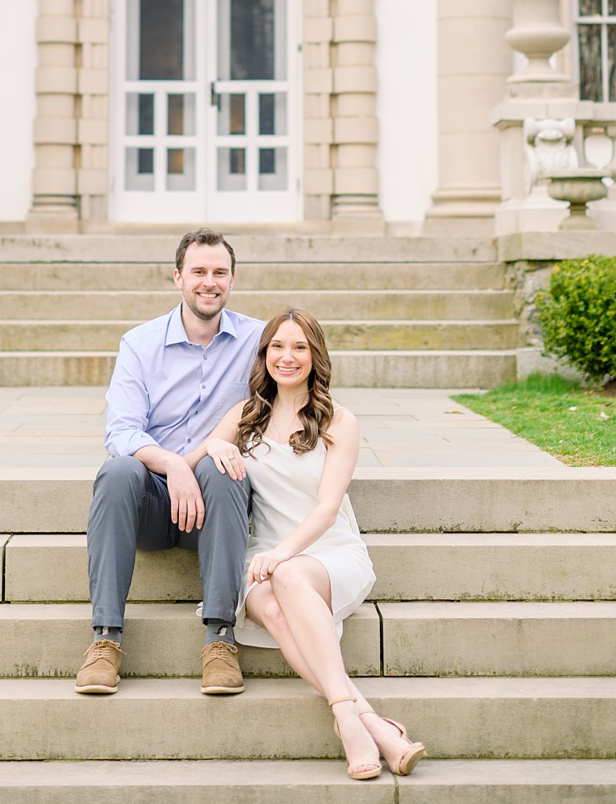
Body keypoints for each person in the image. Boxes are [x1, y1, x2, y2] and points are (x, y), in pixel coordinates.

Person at [196, 310, 424, 780]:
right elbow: (186, 463)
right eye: (278, 346)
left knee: (290, 573)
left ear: (315, 356)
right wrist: (214, 447)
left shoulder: (340, 421)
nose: (287, 356)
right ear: (264, 355)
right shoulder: (243, 417)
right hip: (260, 558)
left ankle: (348, 718)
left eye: (300, 347)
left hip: (327, 552)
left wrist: (284, 555)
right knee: (274, 606)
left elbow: (326, 508)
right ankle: (376, 726)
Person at [75, 229, 262, 699]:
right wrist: (174, 466)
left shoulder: (259, 340)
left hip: (218, 506)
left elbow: (284, 399)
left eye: (219, 272)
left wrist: (210, 452)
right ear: (178, 277)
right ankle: (105, 640)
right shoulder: (139, 344)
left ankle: (220, 638)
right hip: (154, 505)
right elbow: (120, 431)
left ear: (233, 280)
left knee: (225, 466)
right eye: (198, 271)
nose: (209, 282)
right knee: (117, 471)